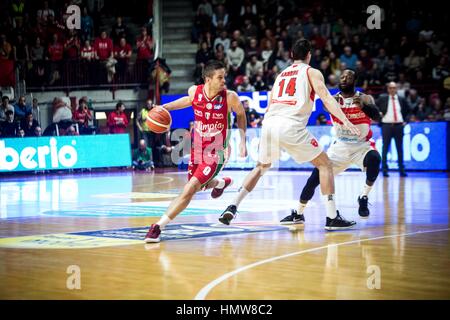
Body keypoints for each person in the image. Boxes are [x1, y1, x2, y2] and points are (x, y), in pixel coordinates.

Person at [218, 39, 360, 231]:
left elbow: (269, 105)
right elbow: (326, 98)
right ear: (309, 55)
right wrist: (346, 120)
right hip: (290, 124)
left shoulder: (281, 74)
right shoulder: (311, 72)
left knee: (261, 167)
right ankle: (332, 216)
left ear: (292, 56)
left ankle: (232, 206)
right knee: (325, 165)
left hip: (269, 123)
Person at [144, 60, 248, 243]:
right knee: (198, 187)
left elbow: (240, 114)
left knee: (189, 189)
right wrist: (165, 107)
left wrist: (242, 141)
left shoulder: (230, 97)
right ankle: (221, 183)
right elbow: (188, 100)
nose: (224, 81)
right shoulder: (195, 91)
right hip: (198, 149)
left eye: (224, 77)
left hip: (217, 151)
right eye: (220, 78)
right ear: (208, 79)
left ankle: (158, 226)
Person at [280, 70, 381, 225]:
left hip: (362, 146)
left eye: (349, 77)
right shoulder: (332, 100)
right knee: (313, 180)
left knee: (375, 158)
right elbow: (327, 106)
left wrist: (364, 107)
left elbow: (377, 116)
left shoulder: (365, 98)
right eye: (342, 77)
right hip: (340, 147)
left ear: (355, 81)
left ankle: (363, 197)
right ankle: (298, 213)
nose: (344, 78)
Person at [377, 82, 409, 177]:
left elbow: (408, 111)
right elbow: (374, 108)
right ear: (388, 89)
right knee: (385, 148)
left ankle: (401, 170)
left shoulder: (401, 99)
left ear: (396, 89)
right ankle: (385, 170)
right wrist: (379, 117)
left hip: (399, 125)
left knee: (400, 148)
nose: (392, 90)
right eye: (390, 88)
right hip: (386, 125)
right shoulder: (383, 98)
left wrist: (405, 121)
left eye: (394, 88)